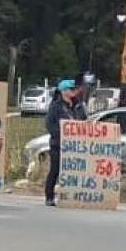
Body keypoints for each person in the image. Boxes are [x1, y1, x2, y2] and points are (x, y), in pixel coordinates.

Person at [44, 78, 88, 207]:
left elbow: (83, 121)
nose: (74, 91)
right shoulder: (56, 106)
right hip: (58, 144)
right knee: (55, 170)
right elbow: (49, 124)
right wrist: (61, 135)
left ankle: (73, 196)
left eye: (74, 89)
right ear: (63, 91)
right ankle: (49, 196)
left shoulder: (79, 106)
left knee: (75, 171)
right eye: (70, 89)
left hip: (76, 145)